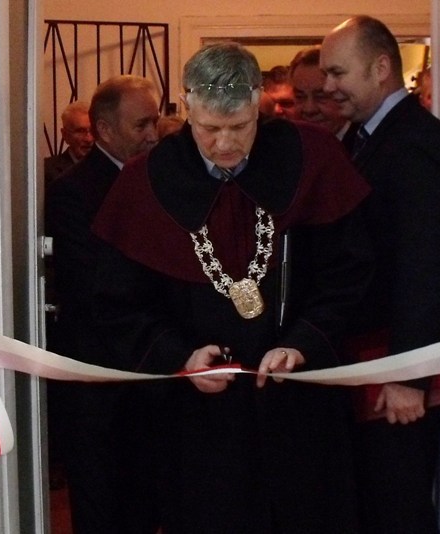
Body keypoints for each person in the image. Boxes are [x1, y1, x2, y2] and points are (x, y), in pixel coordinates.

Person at [90, 42, 374, 533]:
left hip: (299, 405)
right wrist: (179, 356)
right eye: (209, 128)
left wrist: (305, 341)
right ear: (186, 105)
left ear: (258, 101)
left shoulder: (312, 157)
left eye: (240, 126)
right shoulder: (145, 181)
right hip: (200, 419)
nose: (225, 144)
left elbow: (350, 271)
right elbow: (118, 302)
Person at [321, 16, 440, 533]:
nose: (327, 86)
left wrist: (409, 375)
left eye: (338, 73)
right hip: (371, 365)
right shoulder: (365, 138)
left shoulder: (414, 142)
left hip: (395, 374)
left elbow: (426, 265)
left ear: (381, 67)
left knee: (396, 511)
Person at [45, 74, 160, 534]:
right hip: (99, 375)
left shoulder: (163, 178)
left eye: (154, 122)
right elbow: (89, 283)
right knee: (101, 499)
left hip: (153, 369)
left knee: (147, 496)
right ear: (105, 130)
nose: (153, 134)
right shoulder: (73, 190)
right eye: (141, 125)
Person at [289, 46, 349, 139]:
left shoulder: (366, 143)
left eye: (321, 97)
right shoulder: (286, 144)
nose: (309, 109)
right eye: (300, 97)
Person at [44, 100, 94, 185]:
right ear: (65, 135)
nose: (89, 139)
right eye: (80, 131)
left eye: (92, 130)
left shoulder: (109, 168)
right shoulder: (46, 170)